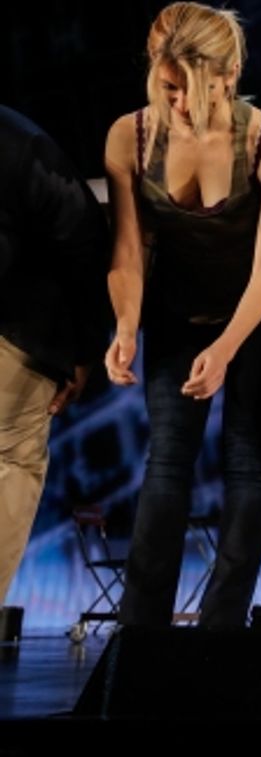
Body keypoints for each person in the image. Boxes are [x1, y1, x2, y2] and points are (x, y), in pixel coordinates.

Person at [105, 2, 261, 629]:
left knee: (247, 460)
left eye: (196, 90)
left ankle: (221, 628)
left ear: (231, 72)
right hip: (174, 311)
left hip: (257, 316)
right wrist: (127, 326)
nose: (182, 106)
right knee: (167, 459)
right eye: (169, 89)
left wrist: (224, 351)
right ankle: (140, 634)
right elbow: (129, 248)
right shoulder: (130, 136)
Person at [1, 105, 111, 611]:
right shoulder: (18, 139)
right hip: (22, 332)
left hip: (19, 332)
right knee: (9, 465)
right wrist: (84, 347)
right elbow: (83, 237)